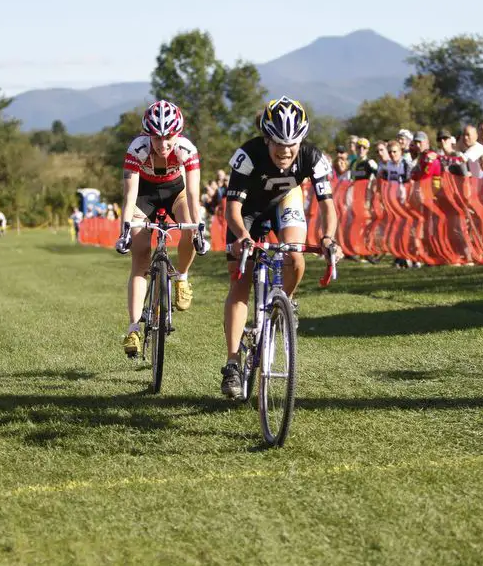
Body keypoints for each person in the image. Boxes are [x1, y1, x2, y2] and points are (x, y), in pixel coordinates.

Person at [220, 96, 340, 398]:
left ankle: (284, 304)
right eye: (278, 145)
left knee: (295, 256)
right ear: (265, 138)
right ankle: (232, 363)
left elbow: (328, 206)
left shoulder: (312, 157)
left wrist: (328, 238)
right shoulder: (248, 156)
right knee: (240, 277)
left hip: (286, 202)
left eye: (292, 145)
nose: (286, 152)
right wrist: (243, 238)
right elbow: (232, 210)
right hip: (247, 212)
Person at [114, 100, 208, 357]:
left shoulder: (187, 150)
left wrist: (198, 229)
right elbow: (130, 194)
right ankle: (133, 328)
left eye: (168, 138)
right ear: (148, 134)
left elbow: (193, 193)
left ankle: (183, 278)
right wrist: (125, 230)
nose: (163, 144)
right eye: (157, 138)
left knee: (189, 226)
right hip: (144, 196)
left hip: (176, 193)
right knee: (141, 255)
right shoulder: (137, 148)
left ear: (177, 135)